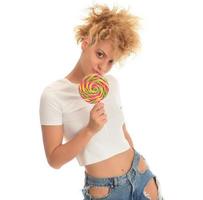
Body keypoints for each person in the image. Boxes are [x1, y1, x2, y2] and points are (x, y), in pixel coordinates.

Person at [39, 4, 164, 200]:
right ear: (85, 43)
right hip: (106, 191)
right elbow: (54, 160)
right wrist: (90, 129)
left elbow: (122, 132)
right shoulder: (54, 95)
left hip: (141, 176)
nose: (102, 67)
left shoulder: (111, 84)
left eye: (111, 61)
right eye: (100, 54)